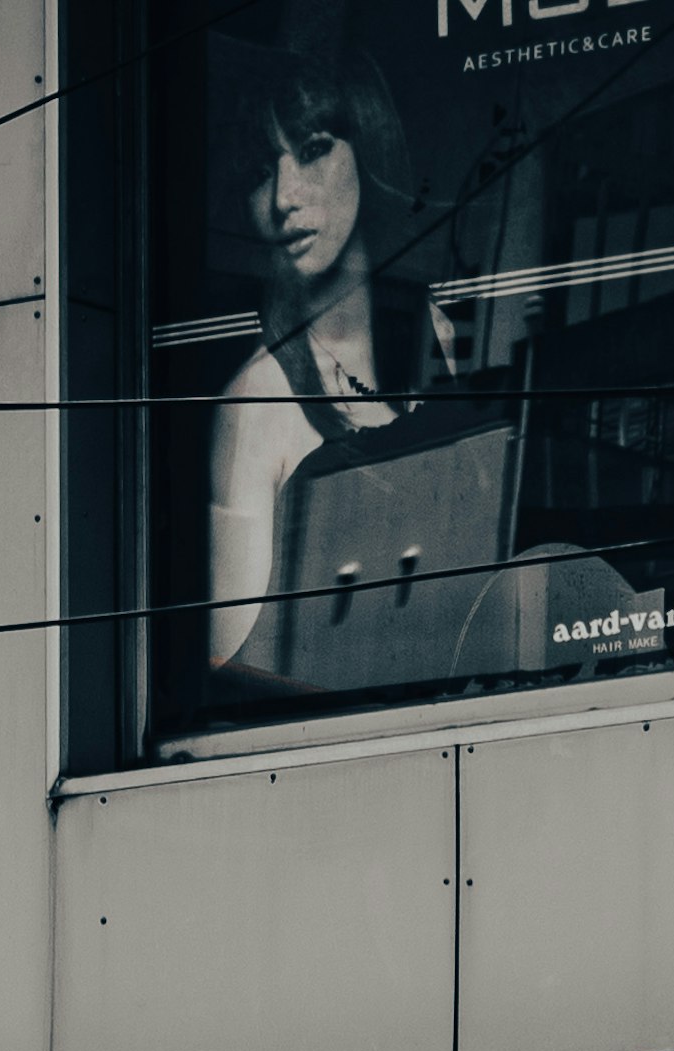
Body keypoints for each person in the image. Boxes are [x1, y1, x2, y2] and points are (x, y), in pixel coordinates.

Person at [200, 26, 428, 691]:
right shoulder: (256, 403)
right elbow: (227, 668)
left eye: (312, 150)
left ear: (371, 148)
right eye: (261, 170)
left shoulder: (433, 340)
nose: (283, 196)